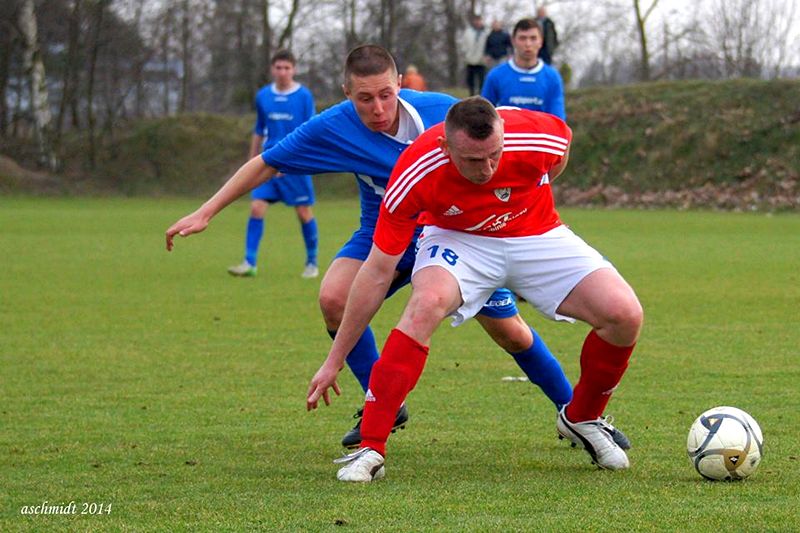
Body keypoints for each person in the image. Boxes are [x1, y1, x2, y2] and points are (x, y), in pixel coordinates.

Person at [166, 45, 577, 450]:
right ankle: (380, 400)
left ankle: (576, 413)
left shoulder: (441, 112)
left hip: (455, 235)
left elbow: (500, 151)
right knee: (333, 297)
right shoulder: (335, 126)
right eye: (364, 98)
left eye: (386, 95)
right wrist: (207, 211)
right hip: (381, 234)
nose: (378, 108)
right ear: (347, 94)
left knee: (510, 333)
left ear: (400, 84)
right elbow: (268, 161)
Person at [307, 97, 643, 482]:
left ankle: (582, 417)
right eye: (472, 161)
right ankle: (372, 448)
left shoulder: (538, 136)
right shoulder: (414, 173)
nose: (486, 169)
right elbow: (377, 272)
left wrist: (525, 197)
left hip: (535, 231)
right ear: (445, 147)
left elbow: (559, 155)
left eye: (494, 156)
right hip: (458, 240)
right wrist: (335, 359)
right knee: (425, 304)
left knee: (625, 314)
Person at [227, 49, 319, 279]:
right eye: (278, 67)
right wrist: (252, 159)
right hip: (268, 162)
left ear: (294, 70)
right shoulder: (263, 96)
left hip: (295, 164)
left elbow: (312, 131)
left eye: (287, 68)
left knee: (304, 212)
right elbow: (259, 130)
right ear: (272, 69)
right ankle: (249, 262)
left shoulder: (304, 96)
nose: (282, 72)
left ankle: (312, 262)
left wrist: (303, 162)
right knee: (256, 207)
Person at [482, 18, 565, 120]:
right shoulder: (495, 76)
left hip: (539, 135)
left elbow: (558, 121)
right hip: (506, 135)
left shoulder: (552, 77)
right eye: (522, 38)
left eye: (533, 38)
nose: (528, 44)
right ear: (513, 41)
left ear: (541, 41)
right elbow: (484, 118)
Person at [460, 13, 490, 95]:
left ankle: (481, 96)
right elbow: (464, 44)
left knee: (481, 80)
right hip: (470, 60)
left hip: (481, 60)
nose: (477, 22)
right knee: (470, 81)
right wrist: (465, 54)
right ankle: (471, 95)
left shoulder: (486, 32)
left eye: (479, 20)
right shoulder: (468, 32)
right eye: (476, 20)